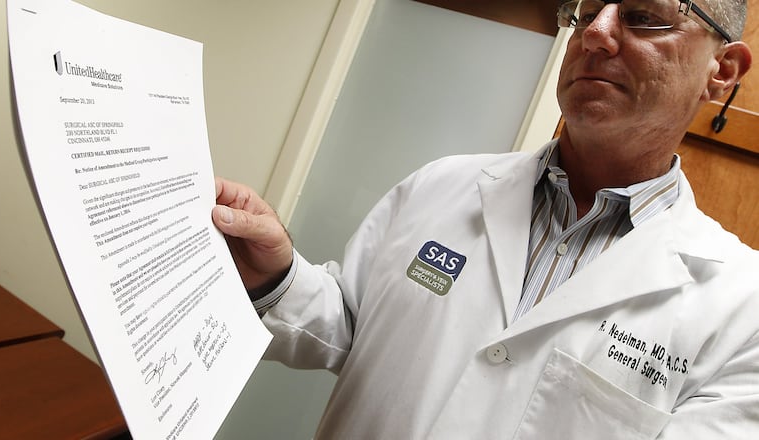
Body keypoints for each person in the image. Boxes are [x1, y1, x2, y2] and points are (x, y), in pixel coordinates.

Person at [212, 0, 758, 438]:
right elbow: (350, 325)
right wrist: (276, 276)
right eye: (586, 15)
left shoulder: (742, 310)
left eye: (642, 16)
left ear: (722, 70)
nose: (596, 33)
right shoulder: (443, 184)